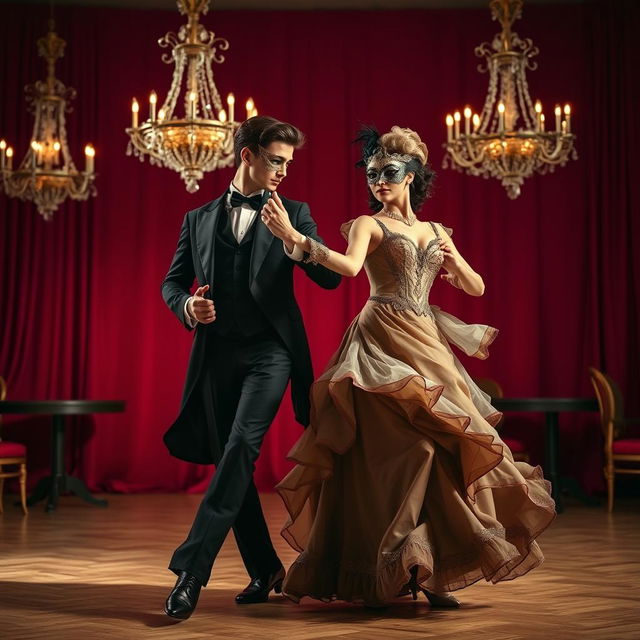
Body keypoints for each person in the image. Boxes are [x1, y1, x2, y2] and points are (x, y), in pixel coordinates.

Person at [261, 126, 555, 607]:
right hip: (379, 341)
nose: (378, 181)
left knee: (444, 448)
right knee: (404, 453)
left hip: (426, 339)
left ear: (412, 175)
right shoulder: (367, 224)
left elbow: (476, 288)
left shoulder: (435, 231)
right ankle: (386, 566)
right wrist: (297, 239)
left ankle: (432, 572)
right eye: (372, 173)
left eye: (389, 172)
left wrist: (452, 262)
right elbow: (351, 268)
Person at [161, 116, 341, 619]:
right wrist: (186, 307)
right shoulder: (198, 218)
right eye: (275, 160)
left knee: (242, 447)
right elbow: (173, 283)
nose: (284, 171)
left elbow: (330, 281)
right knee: (230, 464)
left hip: (272, 352)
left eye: (288, 163)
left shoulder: (296, 212)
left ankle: (191, 571)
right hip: (216, 354)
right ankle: (265, 569)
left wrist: (296, 241)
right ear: (248, 156)